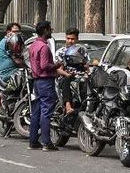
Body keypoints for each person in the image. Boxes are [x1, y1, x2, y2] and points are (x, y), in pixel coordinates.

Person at [28, 20, 61, 151]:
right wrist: (57, 65)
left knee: (36, 111)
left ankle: (33, 141)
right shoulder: (44, 47)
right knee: (46, 111)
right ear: (45, 30)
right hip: (45, 81)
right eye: (50, 28)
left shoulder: (33, 45)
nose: (51, 30)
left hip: (36, 81)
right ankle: (46, 142)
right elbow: (44, 65)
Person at [57, 28, 89, 116]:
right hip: (66, 78)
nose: (70, 41)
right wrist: (66, 74)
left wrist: (87, 71)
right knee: (66, 80)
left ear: (77, 39)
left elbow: (87, 66)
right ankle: (68, 106)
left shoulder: (82, 51)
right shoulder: (60, 52)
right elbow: (58, 69)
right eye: (68, 38)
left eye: (72, 39)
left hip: (80, 77)